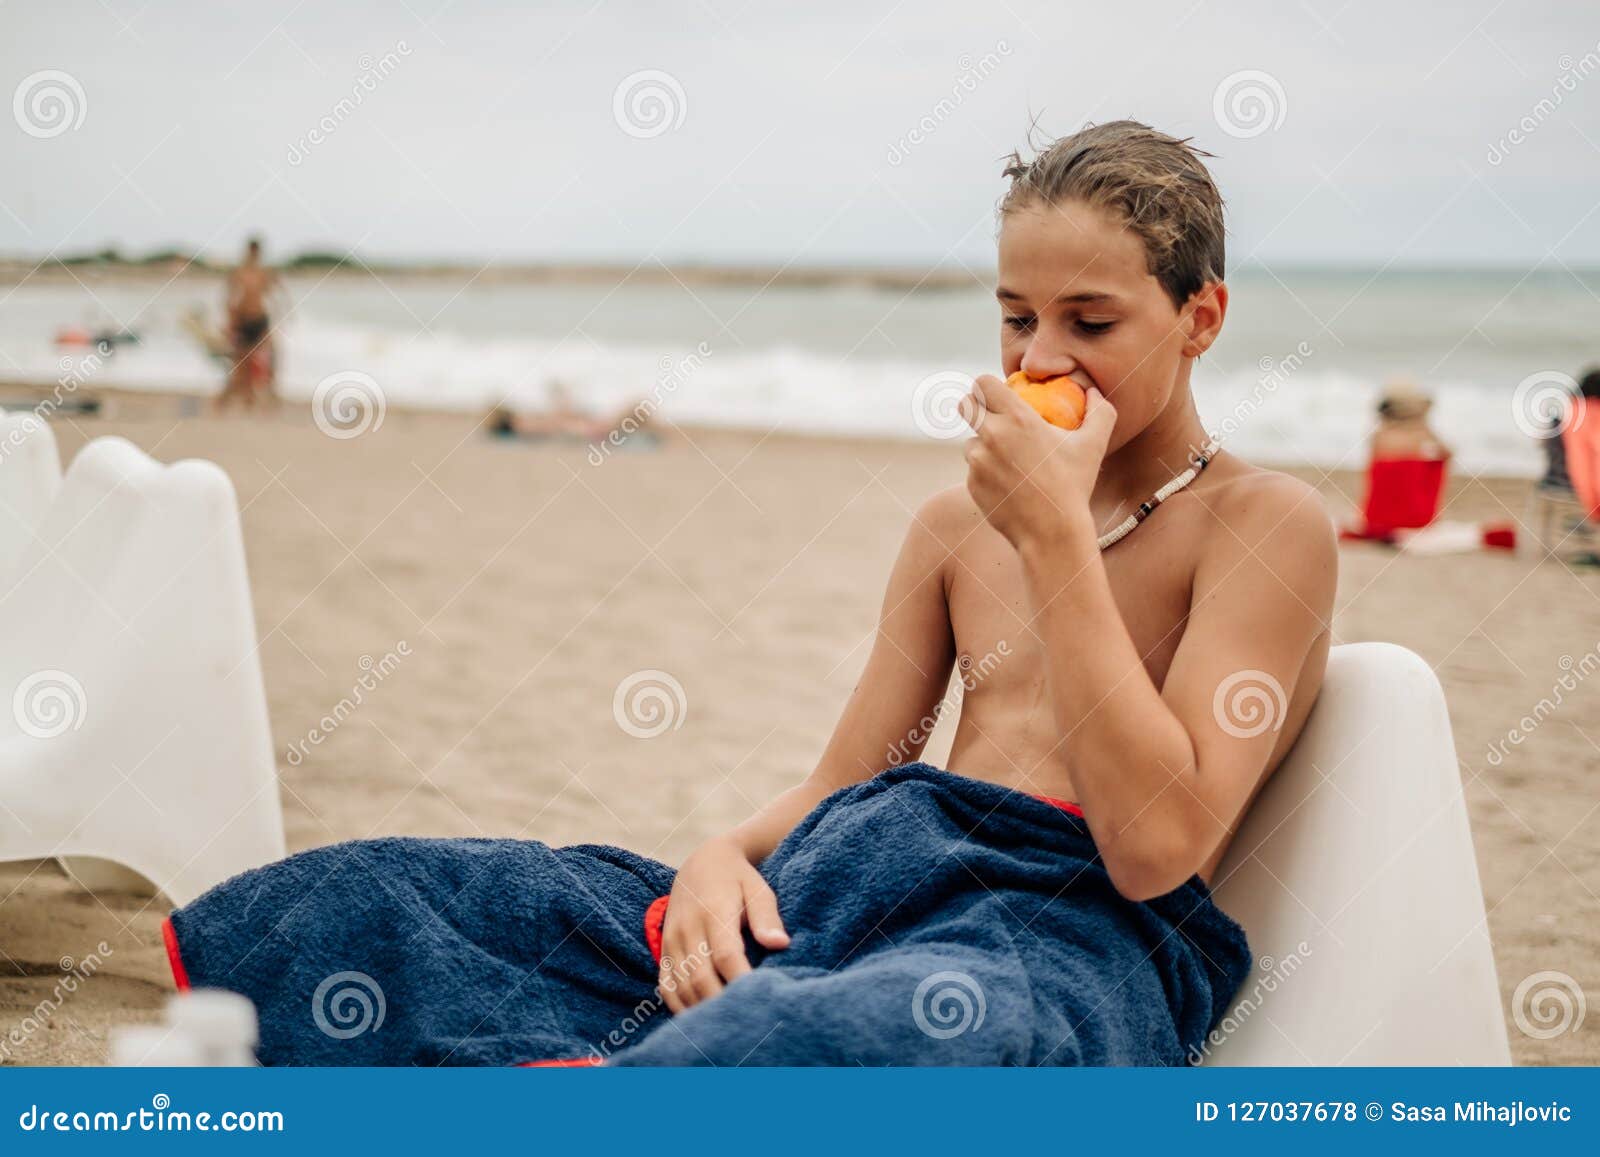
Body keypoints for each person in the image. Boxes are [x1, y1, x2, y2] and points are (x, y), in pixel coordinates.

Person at [163, 121, 1338, 1067]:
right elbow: (848, 783)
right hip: (853, 882)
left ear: (1199, 317)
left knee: (873, 1031)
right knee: (393, 898)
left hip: (1051, 941)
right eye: (1015, 316)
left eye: (1091, 322)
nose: (1037, 359)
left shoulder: (1258, 525)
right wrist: (719, 856)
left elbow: (1156, 848)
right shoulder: (950, 529)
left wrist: (1054, 546)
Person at [217, 237, 282, 411]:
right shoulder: (239, 272)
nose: (254, 254)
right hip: (243, 320)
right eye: (252, 251)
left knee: (272, 356)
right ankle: (246, 398)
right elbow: (229, 299)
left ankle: (270, 395)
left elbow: (275, 295)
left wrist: (283, 315)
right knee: (242, 362)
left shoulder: (264, 273)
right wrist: (230, 323)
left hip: (260, 319)